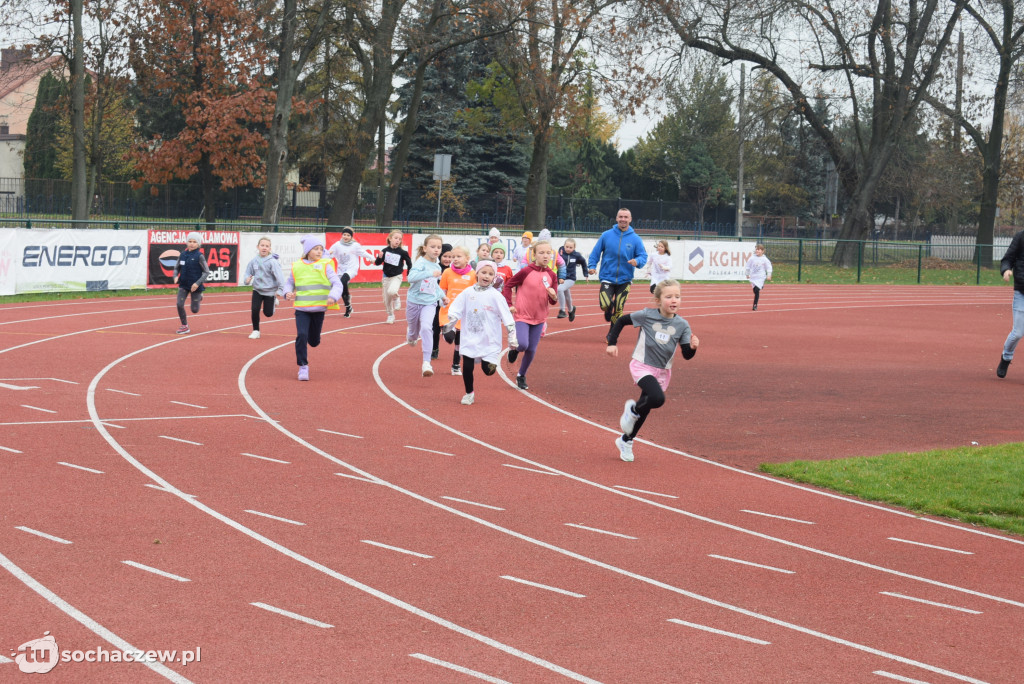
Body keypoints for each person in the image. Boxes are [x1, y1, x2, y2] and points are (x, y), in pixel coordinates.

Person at [605, 279, 699, 462]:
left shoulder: (682, 325)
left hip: (663, 371)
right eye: (669, 296)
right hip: (642, 365)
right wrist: (612, 343)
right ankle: (632, 410)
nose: (674, 300)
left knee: (646, 408)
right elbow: (622, 321)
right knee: (657, 399)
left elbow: (686, 354)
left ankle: (626, 440)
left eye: (677, 297)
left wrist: (694, 348)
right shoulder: (647, 315)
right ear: (657, 300)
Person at [442, 260, 518, 405]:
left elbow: (507, 317)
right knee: (467, 366)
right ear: (477, 273)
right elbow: (455, 310)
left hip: (489, 340)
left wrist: (512, 337)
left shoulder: (496, 296)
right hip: (470, 337)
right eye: (483, 272)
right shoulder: (467, 292)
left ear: (494, 278)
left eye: (490, 274)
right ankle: (469, 393)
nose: (486, 276)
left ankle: (487, 362)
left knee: (488, 371)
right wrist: (449, 326)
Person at [283, 235, 342, 381]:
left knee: (314, 342)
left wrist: (333, 296)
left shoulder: (325, 265)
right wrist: (287, 292)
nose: (319, 252)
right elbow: (289, 282)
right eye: (316, 249)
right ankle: (303, 366)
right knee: (301, 335)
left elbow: (337, 284)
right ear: (308, 250)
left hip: (318, 310)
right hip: (302, 309)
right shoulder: (297, 266)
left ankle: (313, 339)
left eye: (321, 249)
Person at [502, 239, 558, 390]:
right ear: (534, 255)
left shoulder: (552, 275)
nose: (545, 256)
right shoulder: (526, 271)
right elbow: (508, 285)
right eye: (541, 253)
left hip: (539, 317)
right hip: (522, 315)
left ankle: (521, 375)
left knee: (532, 349)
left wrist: (553, 296)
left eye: (548, 253)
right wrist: (509, 304)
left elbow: (553, 301)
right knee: (523, 344)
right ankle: (514, 350)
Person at [588, 208, 648, 326]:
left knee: (619, 307)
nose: (623, 219)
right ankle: (608, 309)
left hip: (625, 279)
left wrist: (637, 261)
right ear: (616, 218)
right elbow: (595, 252)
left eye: (626, 217)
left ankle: (612, 335)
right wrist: (592, 266)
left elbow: (643, 255)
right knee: (605, 304)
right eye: (620, 217)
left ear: (630, 219)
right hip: (607, 277)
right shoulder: (606, 235)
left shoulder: (635, 239)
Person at [407, 235, 447, 377]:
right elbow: (410, 278)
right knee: (413, 333)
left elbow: (434, 285)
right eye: (433, 246)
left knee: (426, 327)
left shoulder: (437, 266)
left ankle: (426, 362)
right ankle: (411, 335)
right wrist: (429, 273)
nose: (436, 250)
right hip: (414, 301)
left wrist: (442, 296)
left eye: (439, 247)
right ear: (425, 248)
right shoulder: (420, 263)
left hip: (429, 303)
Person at [439, 246, 477, 376]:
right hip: (448, 311)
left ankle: (455, 365)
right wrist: (442, 299)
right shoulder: (447, 272)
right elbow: (442, 289)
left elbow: (475, 292)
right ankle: (447, 330)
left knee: (459, 342)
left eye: (458, 256)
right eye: (452, 257)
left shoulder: (472, 275)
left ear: (467, 259)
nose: (454, 259)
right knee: (450, 337)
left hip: (465, 313)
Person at [243, 236, 285, 339]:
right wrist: (246, 280)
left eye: (267, 246)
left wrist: (280, 290)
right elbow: (248, 272)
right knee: (255, 309)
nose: (264, 248)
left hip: (270, 291)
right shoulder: (254, 261)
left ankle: (274, 300)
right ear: (258, 247)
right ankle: (256, 330)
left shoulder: (272, 262)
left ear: (270, 249)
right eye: (262, 245)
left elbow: (280, 277)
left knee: (268, 313)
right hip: (257, 289)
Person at [327, 226, 374, 317]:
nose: (346, 237)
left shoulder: (355, 246)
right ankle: (348, 306)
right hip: (341, 270)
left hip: (352, 269)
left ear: (351, 237)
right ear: (342, 235)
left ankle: (348, 304)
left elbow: (364, 253)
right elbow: (329, 254)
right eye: (344, 234)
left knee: (343, 281)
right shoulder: (337, 245)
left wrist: (372, 258)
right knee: (341, 286)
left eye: (348, 235)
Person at [173, 231, 211, 334]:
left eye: (194, 241)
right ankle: (184, 325)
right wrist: (175, 276)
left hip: (195, 286)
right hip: (183, 284)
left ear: (198, 243)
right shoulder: (182, 255)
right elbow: (176, 268)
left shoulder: (200, 256)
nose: (192, 243)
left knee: (194, 310)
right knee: (179, 304)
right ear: (186, 242)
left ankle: (199, 297)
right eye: (190, 241)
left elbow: (206, 272)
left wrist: (197, 284)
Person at [997, 230, 1024, 377]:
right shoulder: (1020, 237)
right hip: (1022, 292)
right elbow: (1007, 259)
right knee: (1018, 332)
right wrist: (1006, 270)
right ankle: (1006, 357)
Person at [375, 229, 412, 324]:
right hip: (386, 277)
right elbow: (377, 263)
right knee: (386, 300)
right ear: (390, 239)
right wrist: (379, 257)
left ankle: (396, 298)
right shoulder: (385, 251)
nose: (397, 240)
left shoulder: (402, 252)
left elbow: (409, 263)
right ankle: (391, 315)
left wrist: (409, 273)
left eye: (399, 239)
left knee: (392, 291)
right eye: (396, 238)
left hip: (397, 276)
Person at [430, 243, 454, 360]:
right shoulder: (436, 268)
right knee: (434, 327)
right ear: (440, 256)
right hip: (435, 303)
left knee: (449, 326)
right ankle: (434, 348)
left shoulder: (453, 270)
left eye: (450, 257)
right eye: (445, 256)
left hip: (449, 303)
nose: (447, 259)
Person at [557, 238, 589, 321]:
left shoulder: (576, 255)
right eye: (566, 247)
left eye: (570, 247)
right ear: (564, 246)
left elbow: (583, 262)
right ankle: (571, 310)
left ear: (574, 248)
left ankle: (562, 310)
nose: (568, 249)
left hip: (570, 278)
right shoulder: (560, 253)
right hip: (561, 278)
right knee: (566, 295)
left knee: (560, 289)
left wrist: (586, 274)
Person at [745, 243, 772, 311]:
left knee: (757, 290)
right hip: (753, 277)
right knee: (755, 290)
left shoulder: (765, 259)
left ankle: (755, 305)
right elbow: (748, 266)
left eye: (759, 250)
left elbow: (769, 267)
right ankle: (760, 286)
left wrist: (769, 275)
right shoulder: (752, 258)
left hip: (761, 277)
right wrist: (747, 274)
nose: (757, 251)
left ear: (762, 251)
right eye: (757, 249)